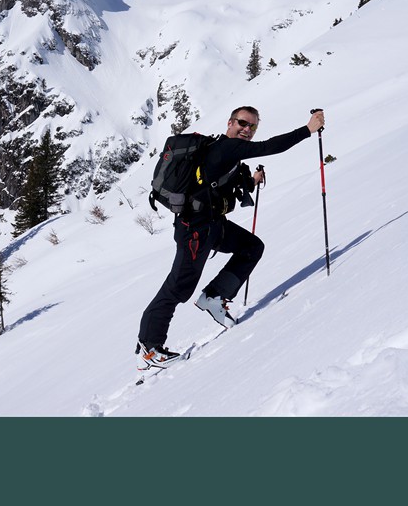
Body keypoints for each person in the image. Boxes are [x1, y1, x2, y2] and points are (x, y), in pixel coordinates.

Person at [136, 106, 326, 369]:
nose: (247, 130)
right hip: (195, 231)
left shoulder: (228, 153)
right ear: (230, 122)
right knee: (178, 286)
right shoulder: (227, 148)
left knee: (251, 246)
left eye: (252, 127)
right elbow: (272, 146)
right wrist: (307, 130)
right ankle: (149, 348)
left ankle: (214, 297)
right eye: (242, 123)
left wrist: (252, 181)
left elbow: (221, 183)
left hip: (213, 226)